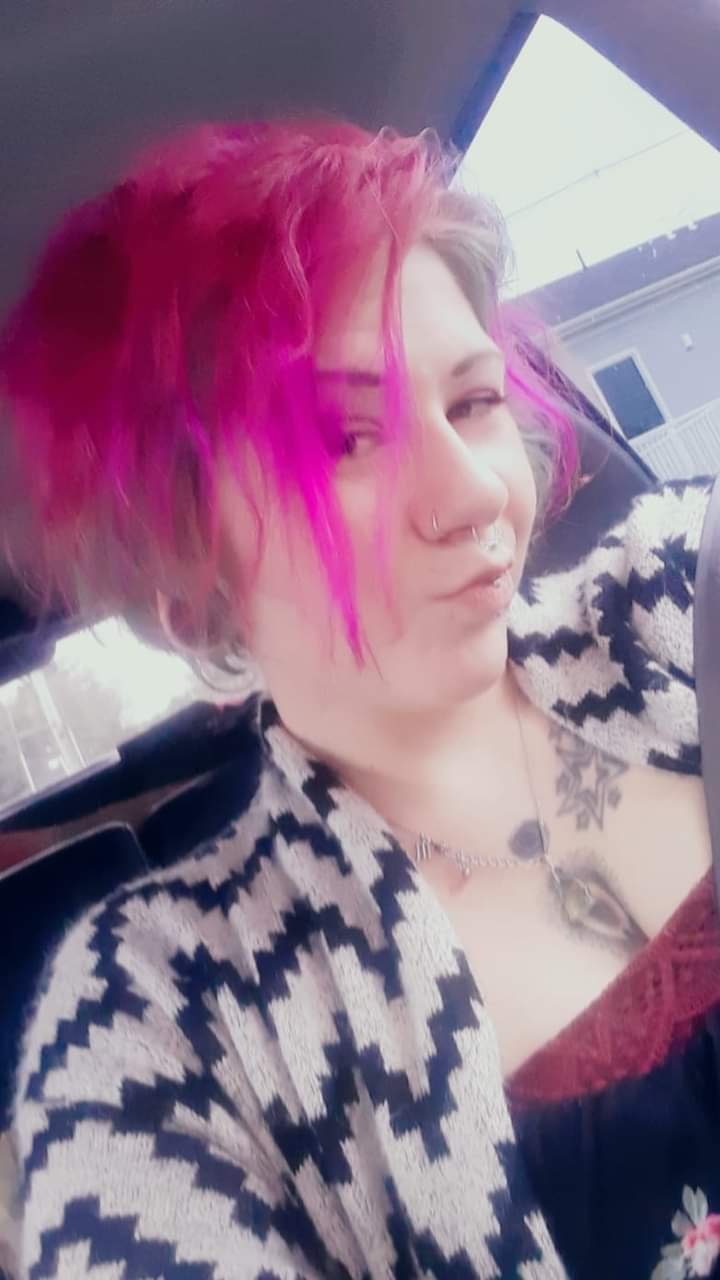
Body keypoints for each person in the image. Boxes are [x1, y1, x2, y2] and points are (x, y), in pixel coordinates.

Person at [1, 119, 717, 1280]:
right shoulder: (160, 1017)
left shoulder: (675, 605)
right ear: (192, 570)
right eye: (343, 437)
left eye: (474, 401)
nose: (473, 492)